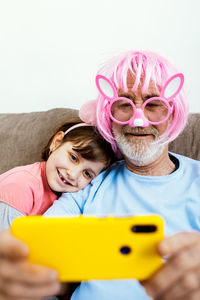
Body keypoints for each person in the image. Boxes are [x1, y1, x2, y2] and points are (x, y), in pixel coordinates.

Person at [0, 50, 199, 300]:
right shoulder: (91, 180)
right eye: (124, 104)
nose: (138, 121)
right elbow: (45, 250)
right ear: (109, 115)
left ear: (173, 113)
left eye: (154, 104)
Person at [0, 117, 115, 231]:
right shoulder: (20, 186)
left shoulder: (74, 200)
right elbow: (5, 244)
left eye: (87, 174)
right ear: (57, 142)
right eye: (73, 158)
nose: (73, 174)